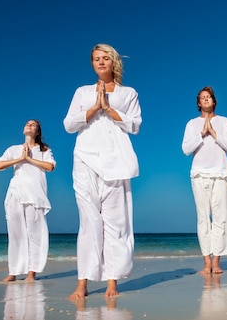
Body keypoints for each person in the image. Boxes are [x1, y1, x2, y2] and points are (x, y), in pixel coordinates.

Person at [63, 43, 142, 299]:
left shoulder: (128, 93)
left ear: (113, 62)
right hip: (85, 158)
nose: (100, 62)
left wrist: (109, 108)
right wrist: (95, 108)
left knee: (115, 223)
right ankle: (82, 283)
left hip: (117, 162)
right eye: (96, 58)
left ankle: (112, 282)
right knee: (89, 222)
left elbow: (135, 125)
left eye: (105, 58)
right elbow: (69, 124)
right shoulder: (82, 91)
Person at [182, 86, 227, 275]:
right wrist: (201, 134)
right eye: (202, 98)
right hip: (199, 174)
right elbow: (186, 149)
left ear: (214, 101)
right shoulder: (191, 124)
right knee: (203, 219)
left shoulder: (224, 122)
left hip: (220, 174)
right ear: (198, 103)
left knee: (220, 218)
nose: (206, 100)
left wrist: (214, 133)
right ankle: (206, 262)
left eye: (209, 97)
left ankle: (217, 261)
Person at [0, 119, 55, 282]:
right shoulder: (13, 149)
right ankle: (13, 272)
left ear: (38, 132)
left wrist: (29, 159)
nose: (29, 125)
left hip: (35, 196)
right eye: (27, 124)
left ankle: (31, 273)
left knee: (35, 234)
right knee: (15, 234)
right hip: (16, 193)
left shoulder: (44, 150)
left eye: (33, 124)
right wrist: (20, 158)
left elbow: (50, 167)